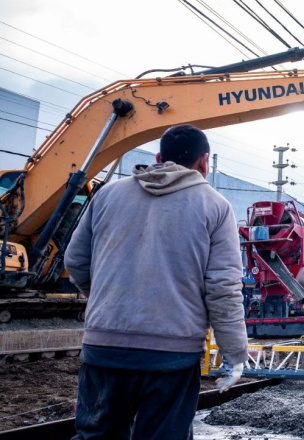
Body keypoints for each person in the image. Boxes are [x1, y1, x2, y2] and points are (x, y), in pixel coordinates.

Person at [64, 124, 248, 440]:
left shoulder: (108, 194)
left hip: (104, 349)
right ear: (204, 162)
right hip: (171, 358)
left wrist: (107, 300)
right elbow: (223, 288)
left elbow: (75, 261)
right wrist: (235, 355)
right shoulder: (215, 206)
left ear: (159, 158)